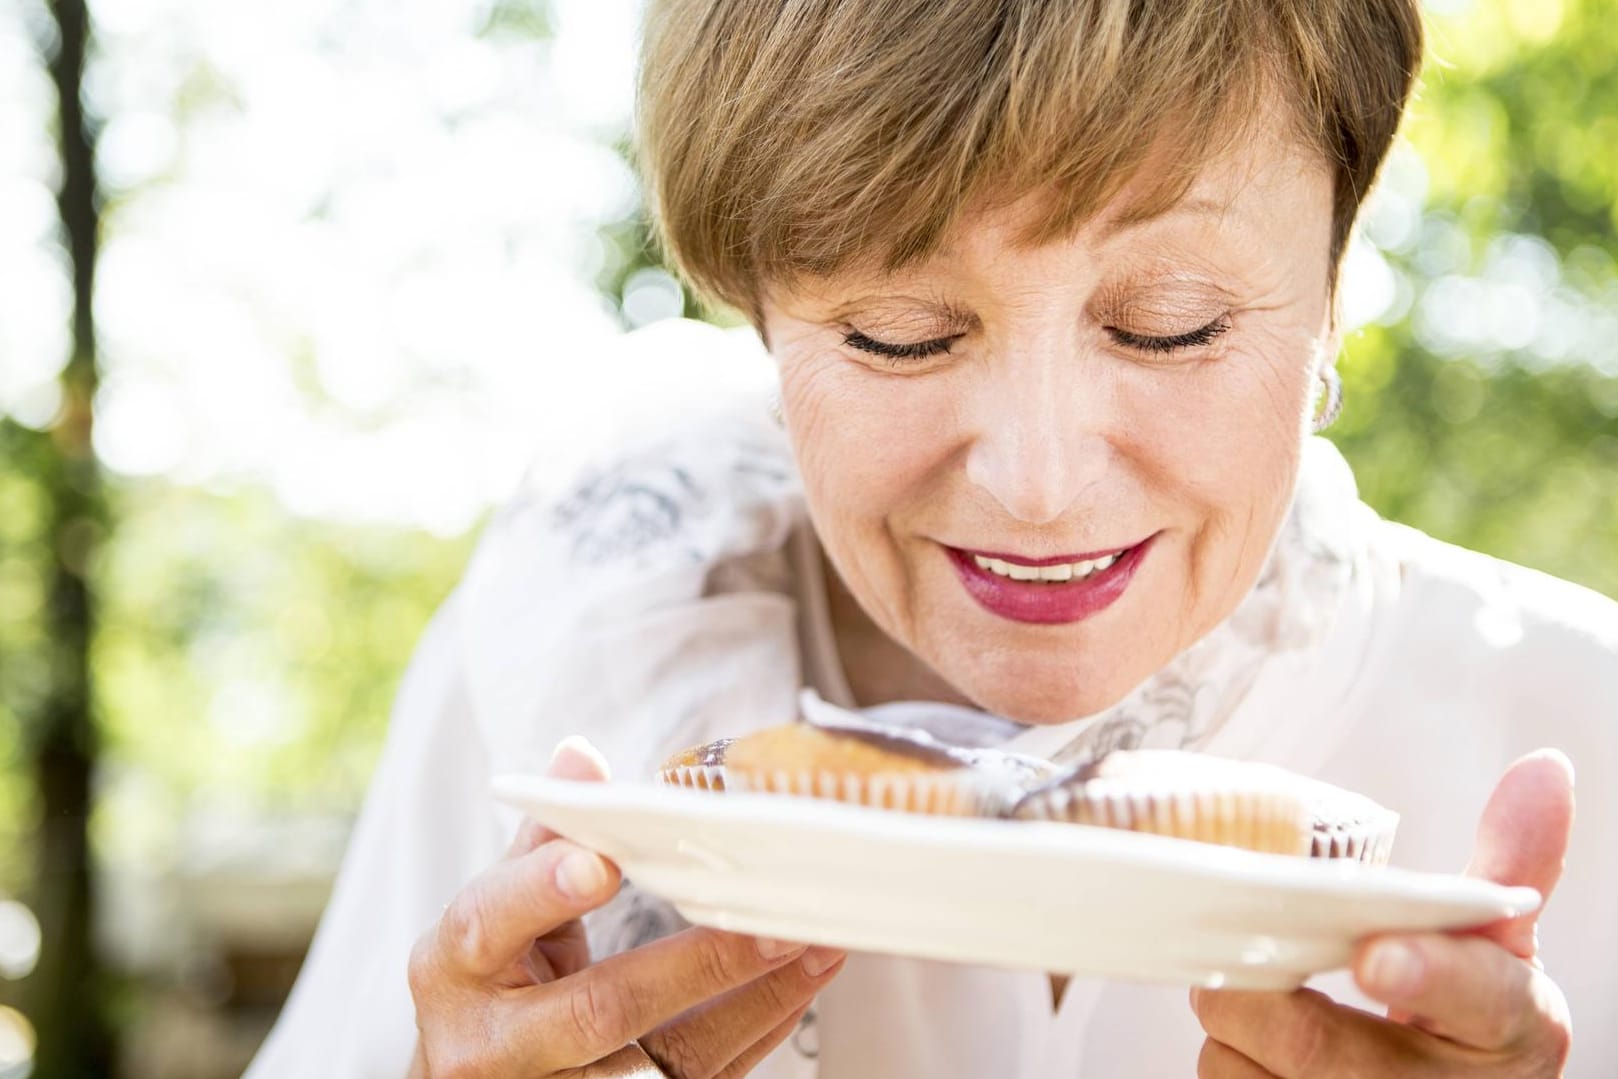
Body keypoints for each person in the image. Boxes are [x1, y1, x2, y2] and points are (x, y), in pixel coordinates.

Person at [245, 1, 1618, 1076]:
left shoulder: (1579, 719)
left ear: (1329, 286)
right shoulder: (561, 664)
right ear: (760, 322)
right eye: (897, 335)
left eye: (1172, 323)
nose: (1035, 484)